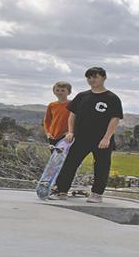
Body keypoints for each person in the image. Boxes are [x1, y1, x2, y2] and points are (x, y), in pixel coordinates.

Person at [52, 67, 123, 203]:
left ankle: (96, 194)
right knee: (70, 164)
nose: (91, 80)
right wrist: (70, 132)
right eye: (89, 78)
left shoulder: (112, 98)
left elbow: (115, 119)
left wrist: (107, 138)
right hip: (80, 138)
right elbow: (72, 115)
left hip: (101, 140)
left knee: (101, 167)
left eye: (95, 77)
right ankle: (61, 191)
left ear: (103, 78)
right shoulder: (82, 96)